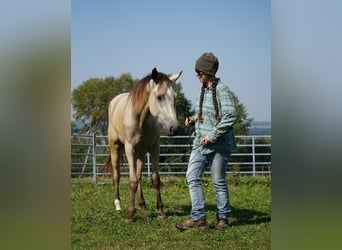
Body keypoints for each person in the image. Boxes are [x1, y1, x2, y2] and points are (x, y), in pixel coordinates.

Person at [176, 52, 237, 231]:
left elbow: (230, 115)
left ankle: (223, 218)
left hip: (219, 145)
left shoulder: (223, 90)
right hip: (200, 143)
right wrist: (194, 119)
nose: (197, 75)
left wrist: (212, 135)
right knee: (192, 176)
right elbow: (206, 113)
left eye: (199, 72)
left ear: (208, 72)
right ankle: (199, 217)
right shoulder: (203, 90)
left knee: (218, 181)